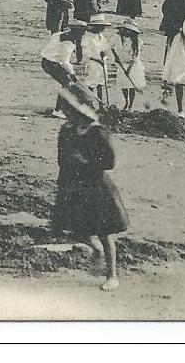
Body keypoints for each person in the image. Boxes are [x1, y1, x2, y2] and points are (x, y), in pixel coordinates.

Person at [52, 90, 129, 292]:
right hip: (74, 184)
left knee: (104, 232)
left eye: (71, 110)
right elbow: (61, 158)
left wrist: (85, 161)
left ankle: (112, 274)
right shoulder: (67, 130)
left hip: (96, 186)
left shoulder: (98, 133)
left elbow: (109, 162)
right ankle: (96, 250)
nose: (68, 115)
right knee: (77, 226)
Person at [80, 14, 117, 106]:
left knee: (101, 83)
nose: (102, 28)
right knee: (91, 84)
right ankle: (89, 103)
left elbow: (105, 49)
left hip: (102, 63)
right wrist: (97, 59)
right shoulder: (87, 37)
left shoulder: (101, 36)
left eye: (103, 27)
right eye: (100, 26)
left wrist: (104, 57)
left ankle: (101, 104)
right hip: (92, 64)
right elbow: (86, 54)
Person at [114, 20, 146, 111]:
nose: (126, 31)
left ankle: (131, 104)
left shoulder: (138, 42)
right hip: (122, 64)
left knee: (131, 85)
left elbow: (135, 57)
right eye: (125, 29)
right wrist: (116, 57)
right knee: (123, 84)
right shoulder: (118, 38)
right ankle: (126, 101)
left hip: (133, 66)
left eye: (128, 30)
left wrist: (129, 69)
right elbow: (112, 47)